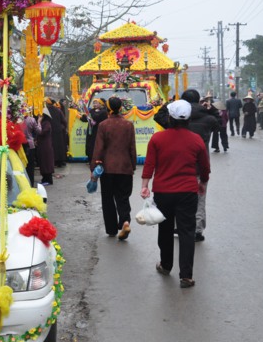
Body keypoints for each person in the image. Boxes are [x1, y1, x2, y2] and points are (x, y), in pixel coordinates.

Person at [141, 100, 210, 288]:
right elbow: (204, 166)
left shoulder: (157, 139)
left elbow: (149, 164)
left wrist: (145, 185)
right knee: (187, 231)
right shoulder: (196, 139)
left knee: (165, 229)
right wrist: (203, 183)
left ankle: (165, 265)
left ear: (170, 118)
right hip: (188, 192)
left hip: (163, 191)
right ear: (188, 119)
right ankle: (186, 276)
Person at [155, 89, 219, 242]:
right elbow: (220, 123)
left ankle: (180, 226)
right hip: (199, 166)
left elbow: (158, 116)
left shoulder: (175, 121)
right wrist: (211, 108)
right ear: (199, 100)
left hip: (178, 166)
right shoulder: (208, 118)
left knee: (178, 198)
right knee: (200, 199)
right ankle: (197, 230)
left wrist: (171, 103)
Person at [90, 96, 137, 239]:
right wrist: (133, 165)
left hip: (107, 168)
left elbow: (98, 148)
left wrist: (94, 167)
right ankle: (125, 222)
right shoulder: (128, 125)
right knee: (123, 197)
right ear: (121, 108)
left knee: (108, 198)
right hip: (124, 167)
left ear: (108, 109)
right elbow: (132, 148)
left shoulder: (103, 125)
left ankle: (111, 229)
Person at [80, 98, 108, 163]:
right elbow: (85, 119)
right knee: (90, 145)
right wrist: (84, 115)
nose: (94, 104)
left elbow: (95, 117)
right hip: (91, 131)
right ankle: (90, 158)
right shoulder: (92, 110)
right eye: (94, 103)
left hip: (98, 131)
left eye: (96, 103)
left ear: (101, 104)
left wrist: (88, 115)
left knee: (97, 144)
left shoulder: (104, 111)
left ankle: (97, 159)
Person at [46, 98, 68, 168]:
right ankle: (60, 161)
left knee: (52, 146)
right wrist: (63, 127)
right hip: (58, 131)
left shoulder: (45, 111)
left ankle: (53, 161)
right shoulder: (58, 110)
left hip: (49, 131)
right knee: (59, 146)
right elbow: (64, 121)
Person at [36, 107, 55, 185]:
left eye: (40, 115)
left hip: (46, 146)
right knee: (43, 162)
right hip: (42, 145)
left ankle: (48, 180)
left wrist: (38, 123)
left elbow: (41, 132)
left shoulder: (47, 123)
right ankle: (44, 179)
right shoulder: (44, 123)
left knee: (46, 163)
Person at [22, 112, 41, 186]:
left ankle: (23, 184)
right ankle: (31, 183)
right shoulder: (32, 120)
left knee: (22, 165)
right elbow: (39, 131)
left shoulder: (17, 120)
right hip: (30, 145)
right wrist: (39, 122)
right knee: (30, 166)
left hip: (20, 145)